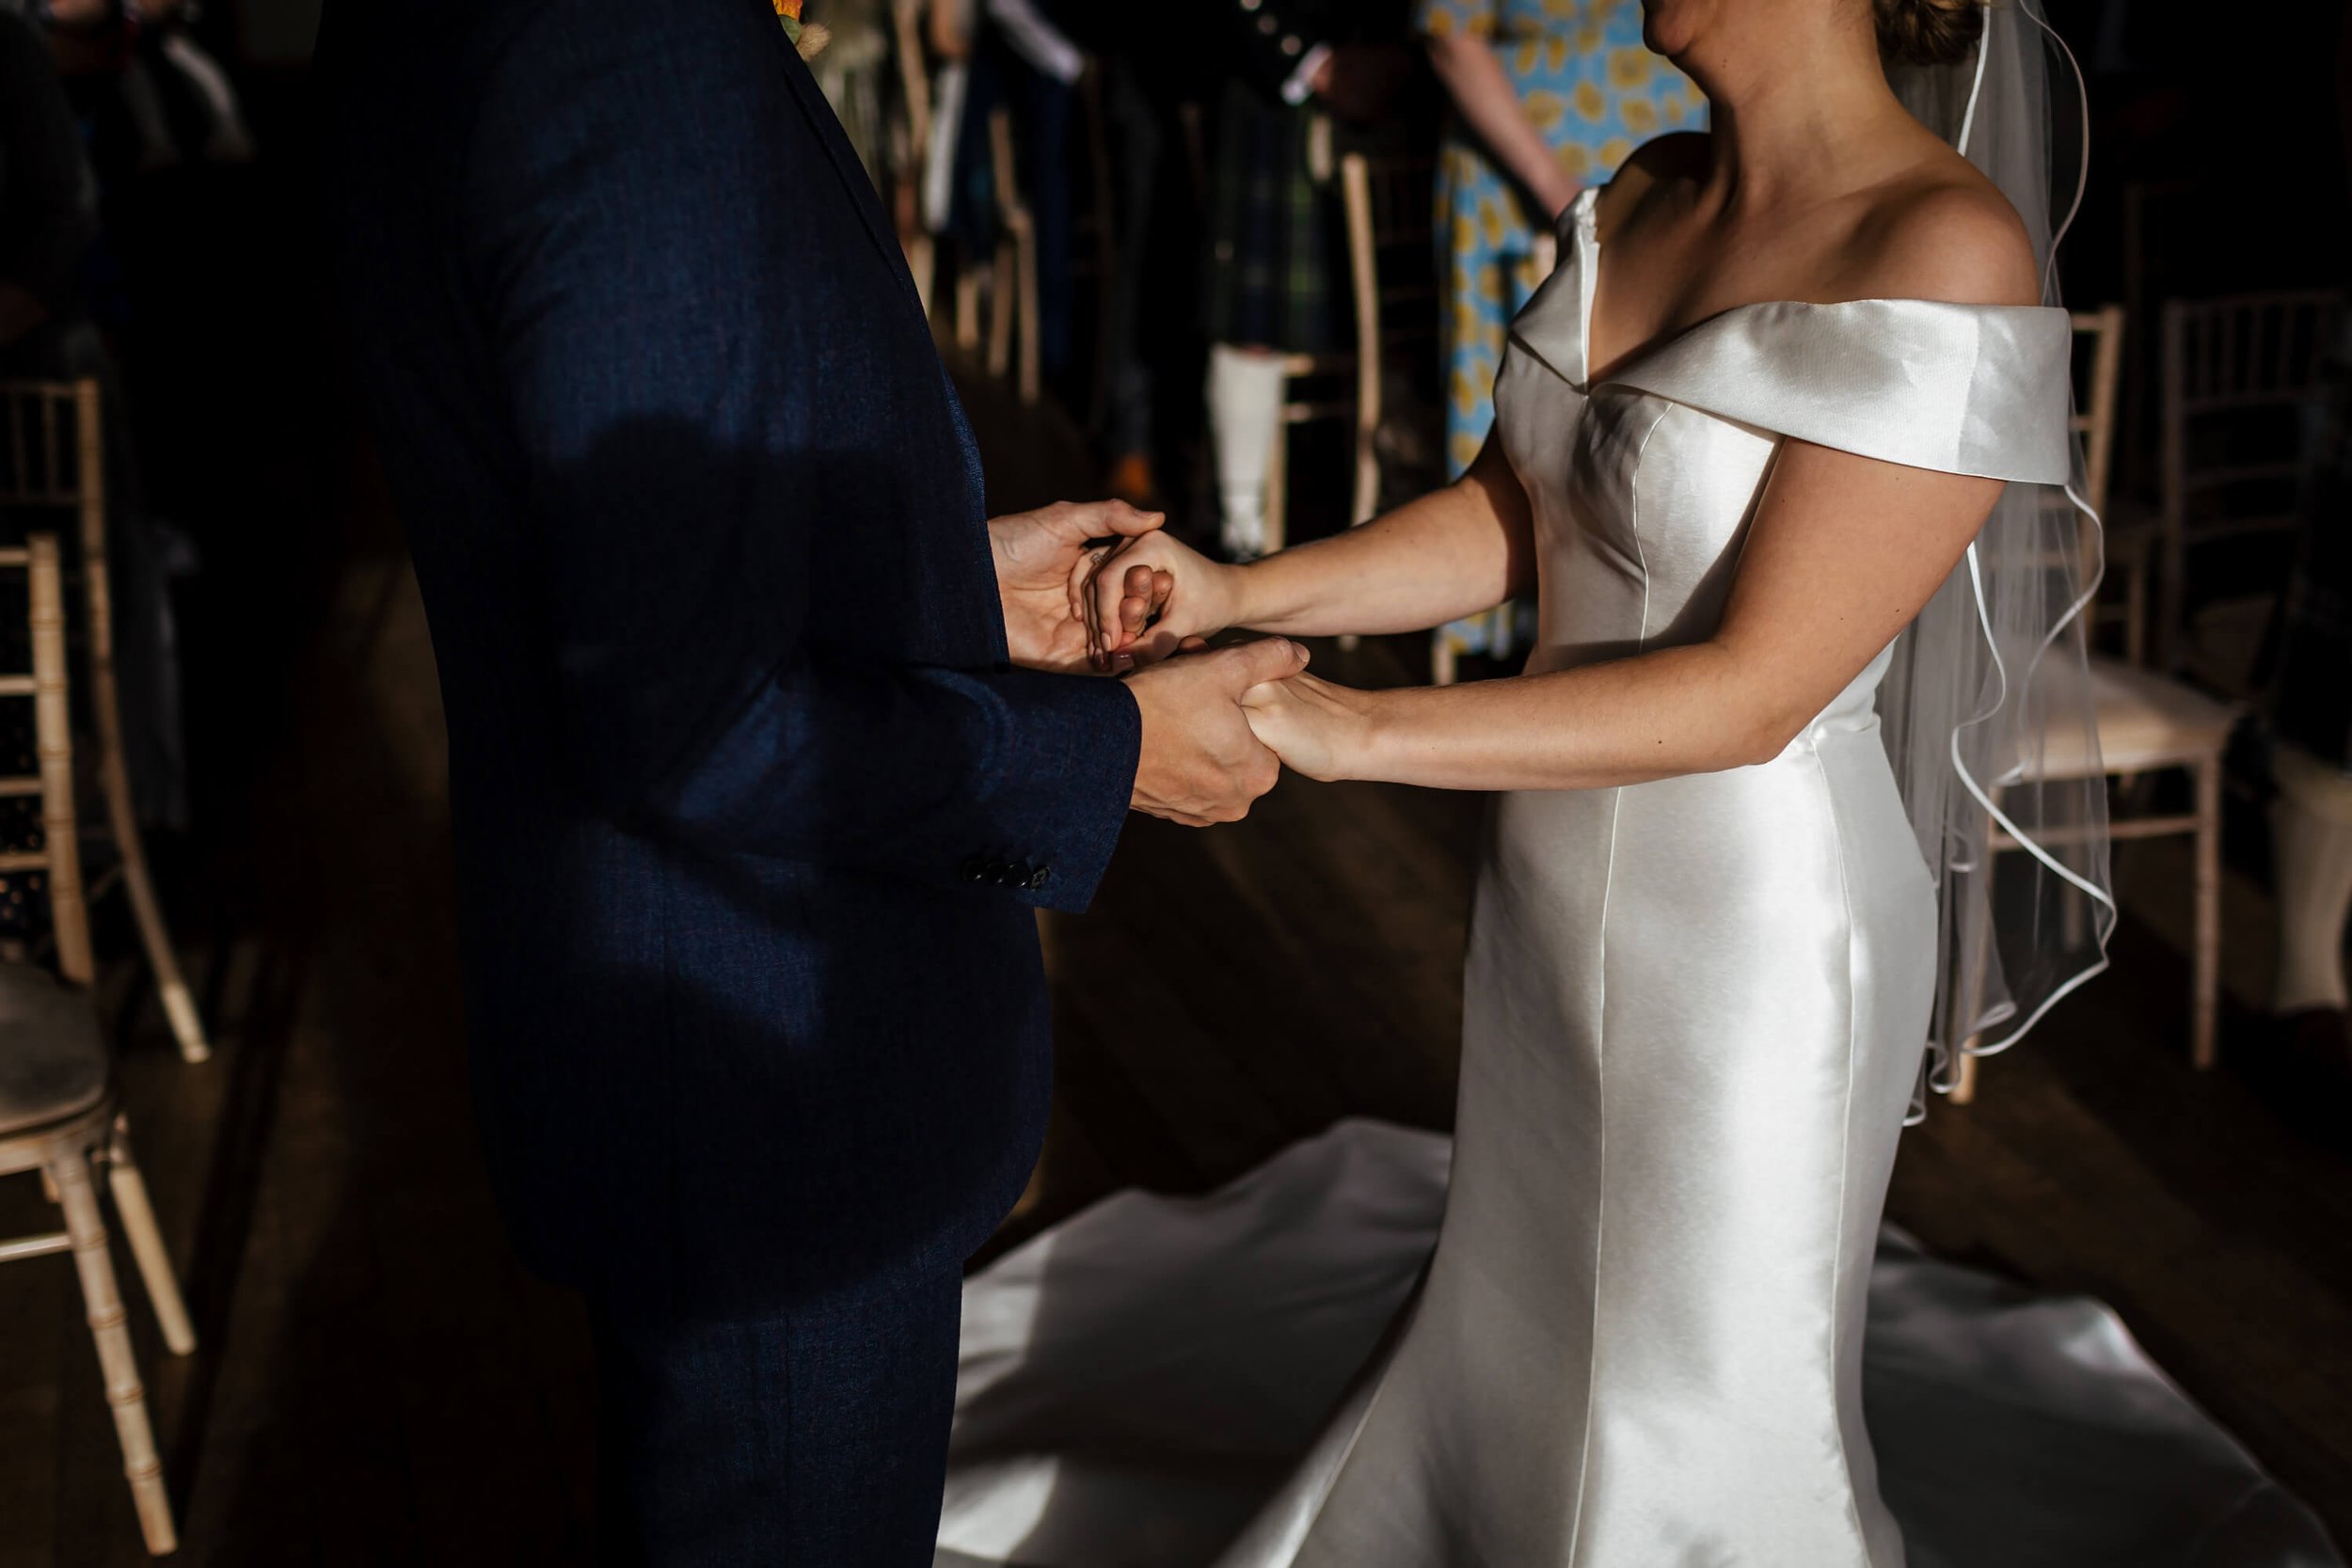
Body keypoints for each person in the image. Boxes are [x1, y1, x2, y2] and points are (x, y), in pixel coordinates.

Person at [919, 0, 2338, 1560]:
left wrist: (1354, 730)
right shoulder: (1647, 188)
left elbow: (1754, 692)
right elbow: (1517, 518)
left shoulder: (1942, 247)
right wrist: (1241, 589)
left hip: (1753, 927)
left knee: (1693, 1397)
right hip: (1546, 872)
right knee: (1525, 1315)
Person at [317, 0, 1306, 1560]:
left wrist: (943, 591)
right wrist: (1108, 754)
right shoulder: (624, 49)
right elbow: (690, 720)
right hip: (767, 1073)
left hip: (696, 1039)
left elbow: (612, 566)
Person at [1420, 0, 1704, 672]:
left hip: (1676, 180)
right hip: (1527, 188)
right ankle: (1522, 632)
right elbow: (1449, 34)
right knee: (1535, 424)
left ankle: (1645, 605)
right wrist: (1566, 199)